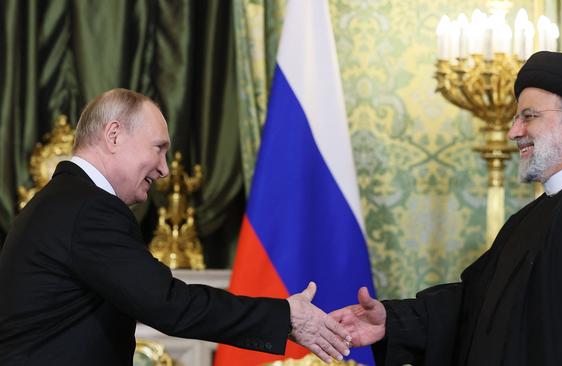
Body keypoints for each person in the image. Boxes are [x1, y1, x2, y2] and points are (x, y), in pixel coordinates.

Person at [330, 51, 562, 366]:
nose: (513, 131)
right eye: (516, 118)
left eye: (529, 116)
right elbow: (475, 306)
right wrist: (392, 322)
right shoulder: (531, 217)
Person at [0, 88, 351, 365]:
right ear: (114, 135)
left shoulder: (61, 201)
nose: (165, 169)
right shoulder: (89, 208)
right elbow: (169, 304)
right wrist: (285, 316)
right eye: (158, 149)